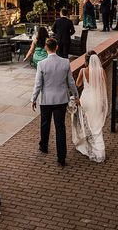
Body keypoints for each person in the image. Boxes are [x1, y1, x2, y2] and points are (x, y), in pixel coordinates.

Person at [31, 38, 79, 166]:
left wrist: (34, 98)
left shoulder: (41, 64)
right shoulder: (65, 62)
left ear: (46, 48)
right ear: (57, 47)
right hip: (61, 100)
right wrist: (76, 95)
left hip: (46, 100)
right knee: (60, 127)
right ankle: (61, 157)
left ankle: (44, 146)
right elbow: (71, 82)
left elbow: (38, 84)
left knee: (45, 124)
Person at [70, 51, 108, 163]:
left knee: (86, 123)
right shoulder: (101, 71)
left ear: (86, 60)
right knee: (96, 125)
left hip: (86, 100)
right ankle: (99, 151)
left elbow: (78, 84)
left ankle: (86, 146)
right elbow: (104, 87)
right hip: (96, 100)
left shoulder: (83, 70)